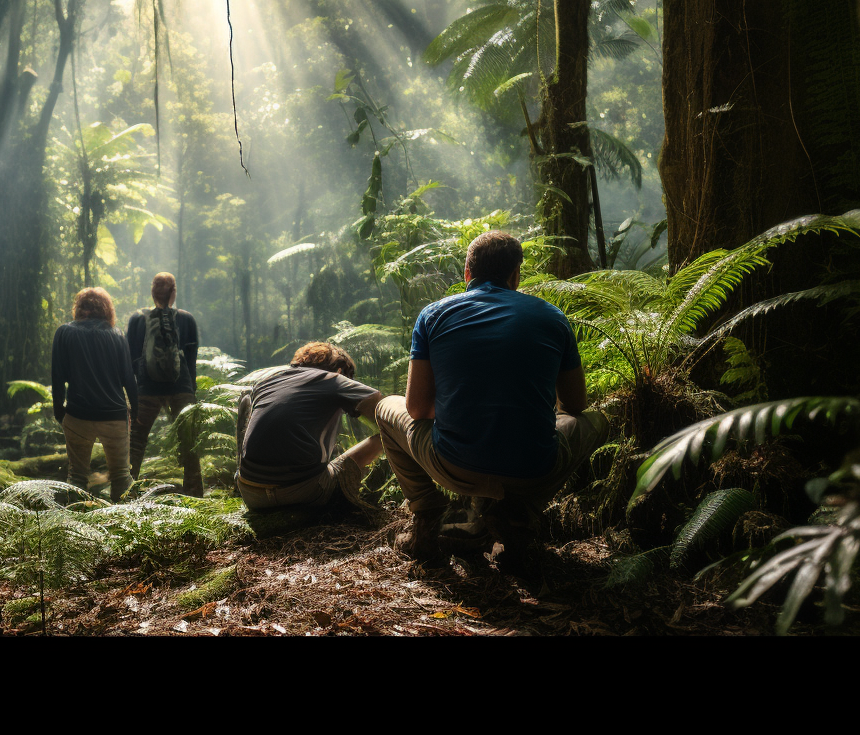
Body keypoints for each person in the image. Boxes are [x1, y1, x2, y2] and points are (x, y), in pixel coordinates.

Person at [376, 231, 609, 576]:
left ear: (467, 272)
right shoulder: (553, 317)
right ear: (516, 275)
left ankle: (427, 515)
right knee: (597, 421)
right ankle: (520, 510)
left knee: (385, 408)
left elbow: (417, 409)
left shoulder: (433, 316)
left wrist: (464, 407)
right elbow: (574, 404)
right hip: (533, 469)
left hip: (455, 466)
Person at [236, 342, 385, 512]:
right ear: (339, 371)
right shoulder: (333, 379)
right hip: (303, 492)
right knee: (387, 434)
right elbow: (382, 406)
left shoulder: (266, 382)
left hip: (251, 494)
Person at [52, 287, 139, 501]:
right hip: (114, 417)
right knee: (121, 476)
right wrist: (134, 412)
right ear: (106, 310)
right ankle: (123, 525)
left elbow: (57, 377)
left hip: (78, 415)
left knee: (77, 476)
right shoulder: (117, 335)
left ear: (79, 309)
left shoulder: (64, 332)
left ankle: (75, 525)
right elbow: (128, 378)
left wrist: (59, 412)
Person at [126, 272, 203, 495]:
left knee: (137, 443)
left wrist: (135, 395)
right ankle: (195, 494)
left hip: (147, 390)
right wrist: (191, 393)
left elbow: (131, 360)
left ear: (152, 292)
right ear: (174, 293)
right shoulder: (186, 319)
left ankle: (127, 492)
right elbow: (190, 361)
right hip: (181, 389)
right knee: (189, 443)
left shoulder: (138, 319)